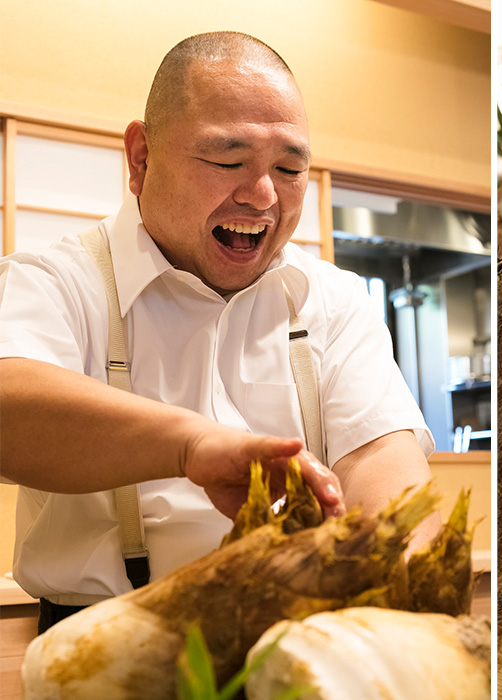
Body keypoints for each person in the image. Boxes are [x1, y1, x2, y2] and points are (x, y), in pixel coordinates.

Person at [0, 31, 439, 633]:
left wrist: (398, 604)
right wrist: (193, 446)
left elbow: (384, 462)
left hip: (298, 635)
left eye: (289, 168)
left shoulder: (332, 299)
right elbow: (9, 404)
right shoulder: (58, 280)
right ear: (141, 159)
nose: (261, 196)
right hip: (98, 636)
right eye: (227, 161)